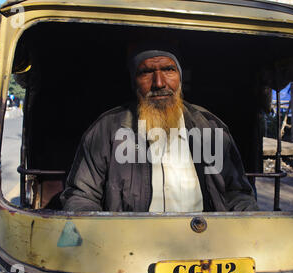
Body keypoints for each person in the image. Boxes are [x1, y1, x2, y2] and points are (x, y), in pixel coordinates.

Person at [60, 43, 258, 212]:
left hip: (204, 245)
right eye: (146, 72)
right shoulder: (108, 129)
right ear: (134, 81)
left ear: (180, 77)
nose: (159, 83)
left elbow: (238, 194)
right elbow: (81, 196)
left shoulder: (209, 127)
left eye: (168, 70)